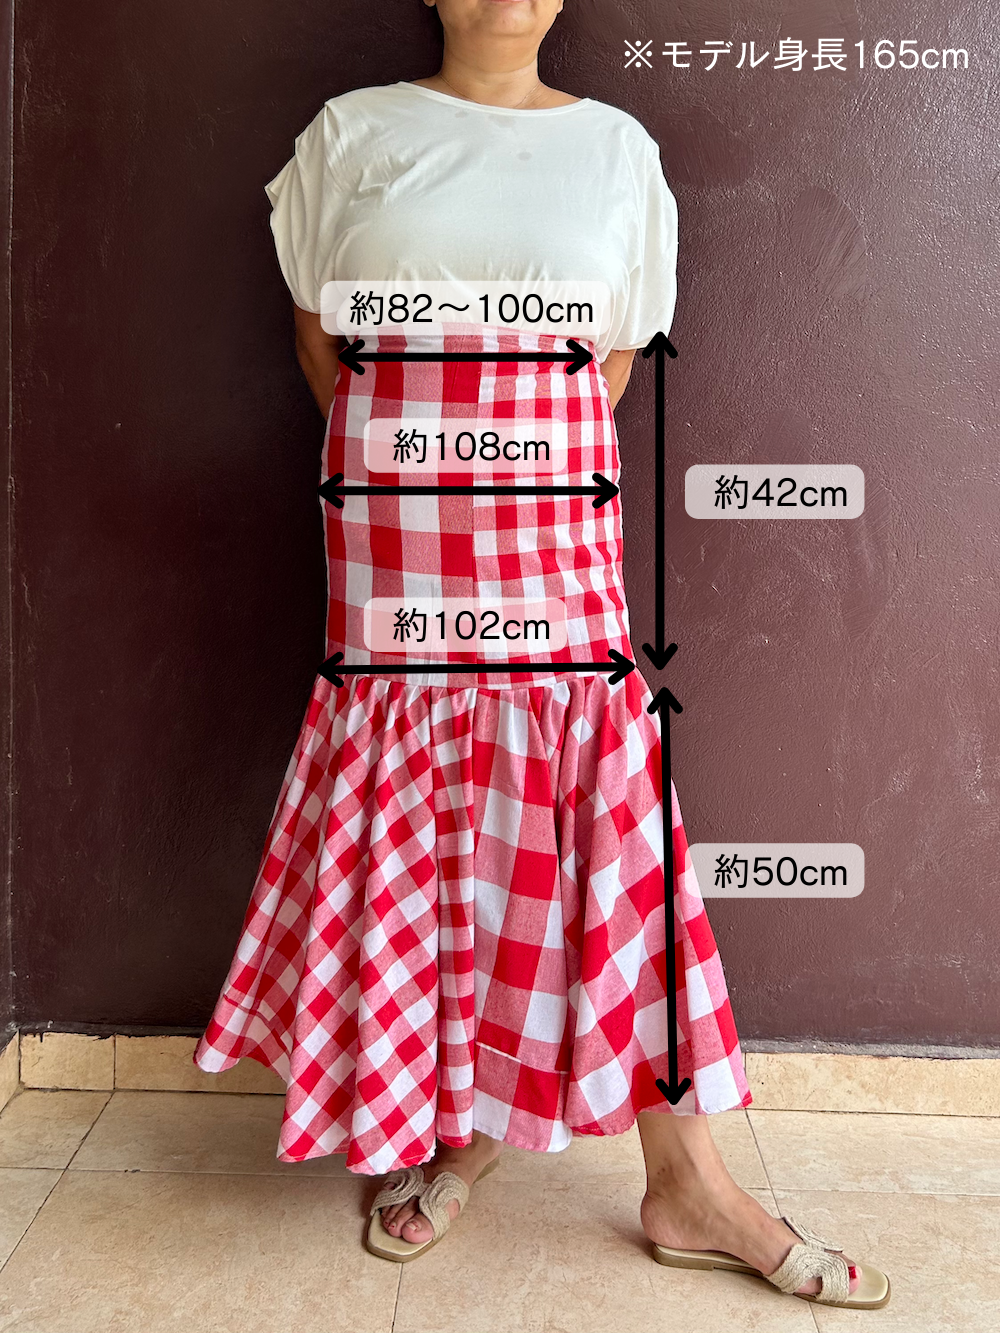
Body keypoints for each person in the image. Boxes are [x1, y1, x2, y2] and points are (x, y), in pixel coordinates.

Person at [193, 0, 889, 1311]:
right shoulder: (352, 133)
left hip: (547, 511)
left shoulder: (618, 150)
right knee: (432, 810)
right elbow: (318, 337)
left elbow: (611, 360)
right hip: (394, 523)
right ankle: (458, 1127)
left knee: (594, 802)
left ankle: (689, 1181)